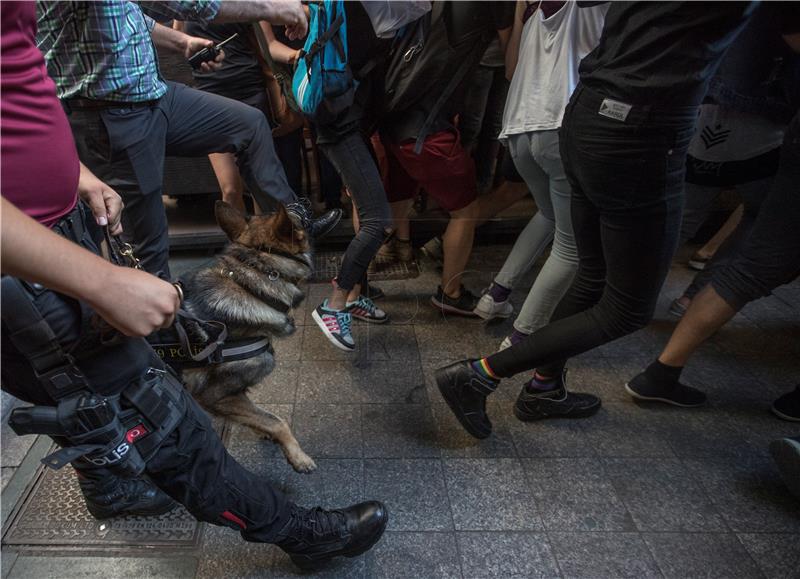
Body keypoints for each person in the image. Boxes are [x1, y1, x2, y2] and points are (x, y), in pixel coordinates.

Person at [0, 2, 387, 569]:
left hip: (102, 153)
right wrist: (103, 280)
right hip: (29, 257)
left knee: (247, 124)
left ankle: (110, 477)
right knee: (158, 407)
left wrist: (73, 172)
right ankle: (296, 531)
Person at [434, 1, 756, 439]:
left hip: (587, 110)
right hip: (641, 127)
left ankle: (544, 386)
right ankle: (481, 373)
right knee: (628, 309)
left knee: (590, 273)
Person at [36, 0, 341, 278]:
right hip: (111, 116)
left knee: (249, 125)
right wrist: (275, 9)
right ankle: (162, 333)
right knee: (147, 248)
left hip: (156, 96)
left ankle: (289, 228)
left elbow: (125, 15)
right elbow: (188, 2)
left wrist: (182, 42)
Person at [474, 0, 608, 365]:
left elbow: (511, 68)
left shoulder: (528, 5)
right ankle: (522, 338)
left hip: (520, 126)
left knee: (548, 215)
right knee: (574, 246)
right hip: (561, 121)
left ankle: (495, 296)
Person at [379, 0, 515, 316]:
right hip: (425, 129)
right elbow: (513, 63)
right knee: (466, 210)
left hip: (394, 111)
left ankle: (384, 262)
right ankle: (450, 293)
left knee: (398, 192)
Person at [310, 1, 416, 351]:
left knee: (372, 216)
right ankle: (334, 304)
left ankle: (353, 297)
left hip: (348, 124)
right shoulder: (360, 9)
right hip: (339, 126)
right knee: (377, 222)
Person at [176, 19, 305, 212]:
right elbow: (178, 40)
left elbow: (269, 44)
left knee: (260, 186)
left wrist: (296, 55)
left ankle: (268, 240)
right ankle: (241, 242)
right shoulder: (184, 6)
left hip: (248, 90)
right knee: (230, 188)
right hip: (210, 95)